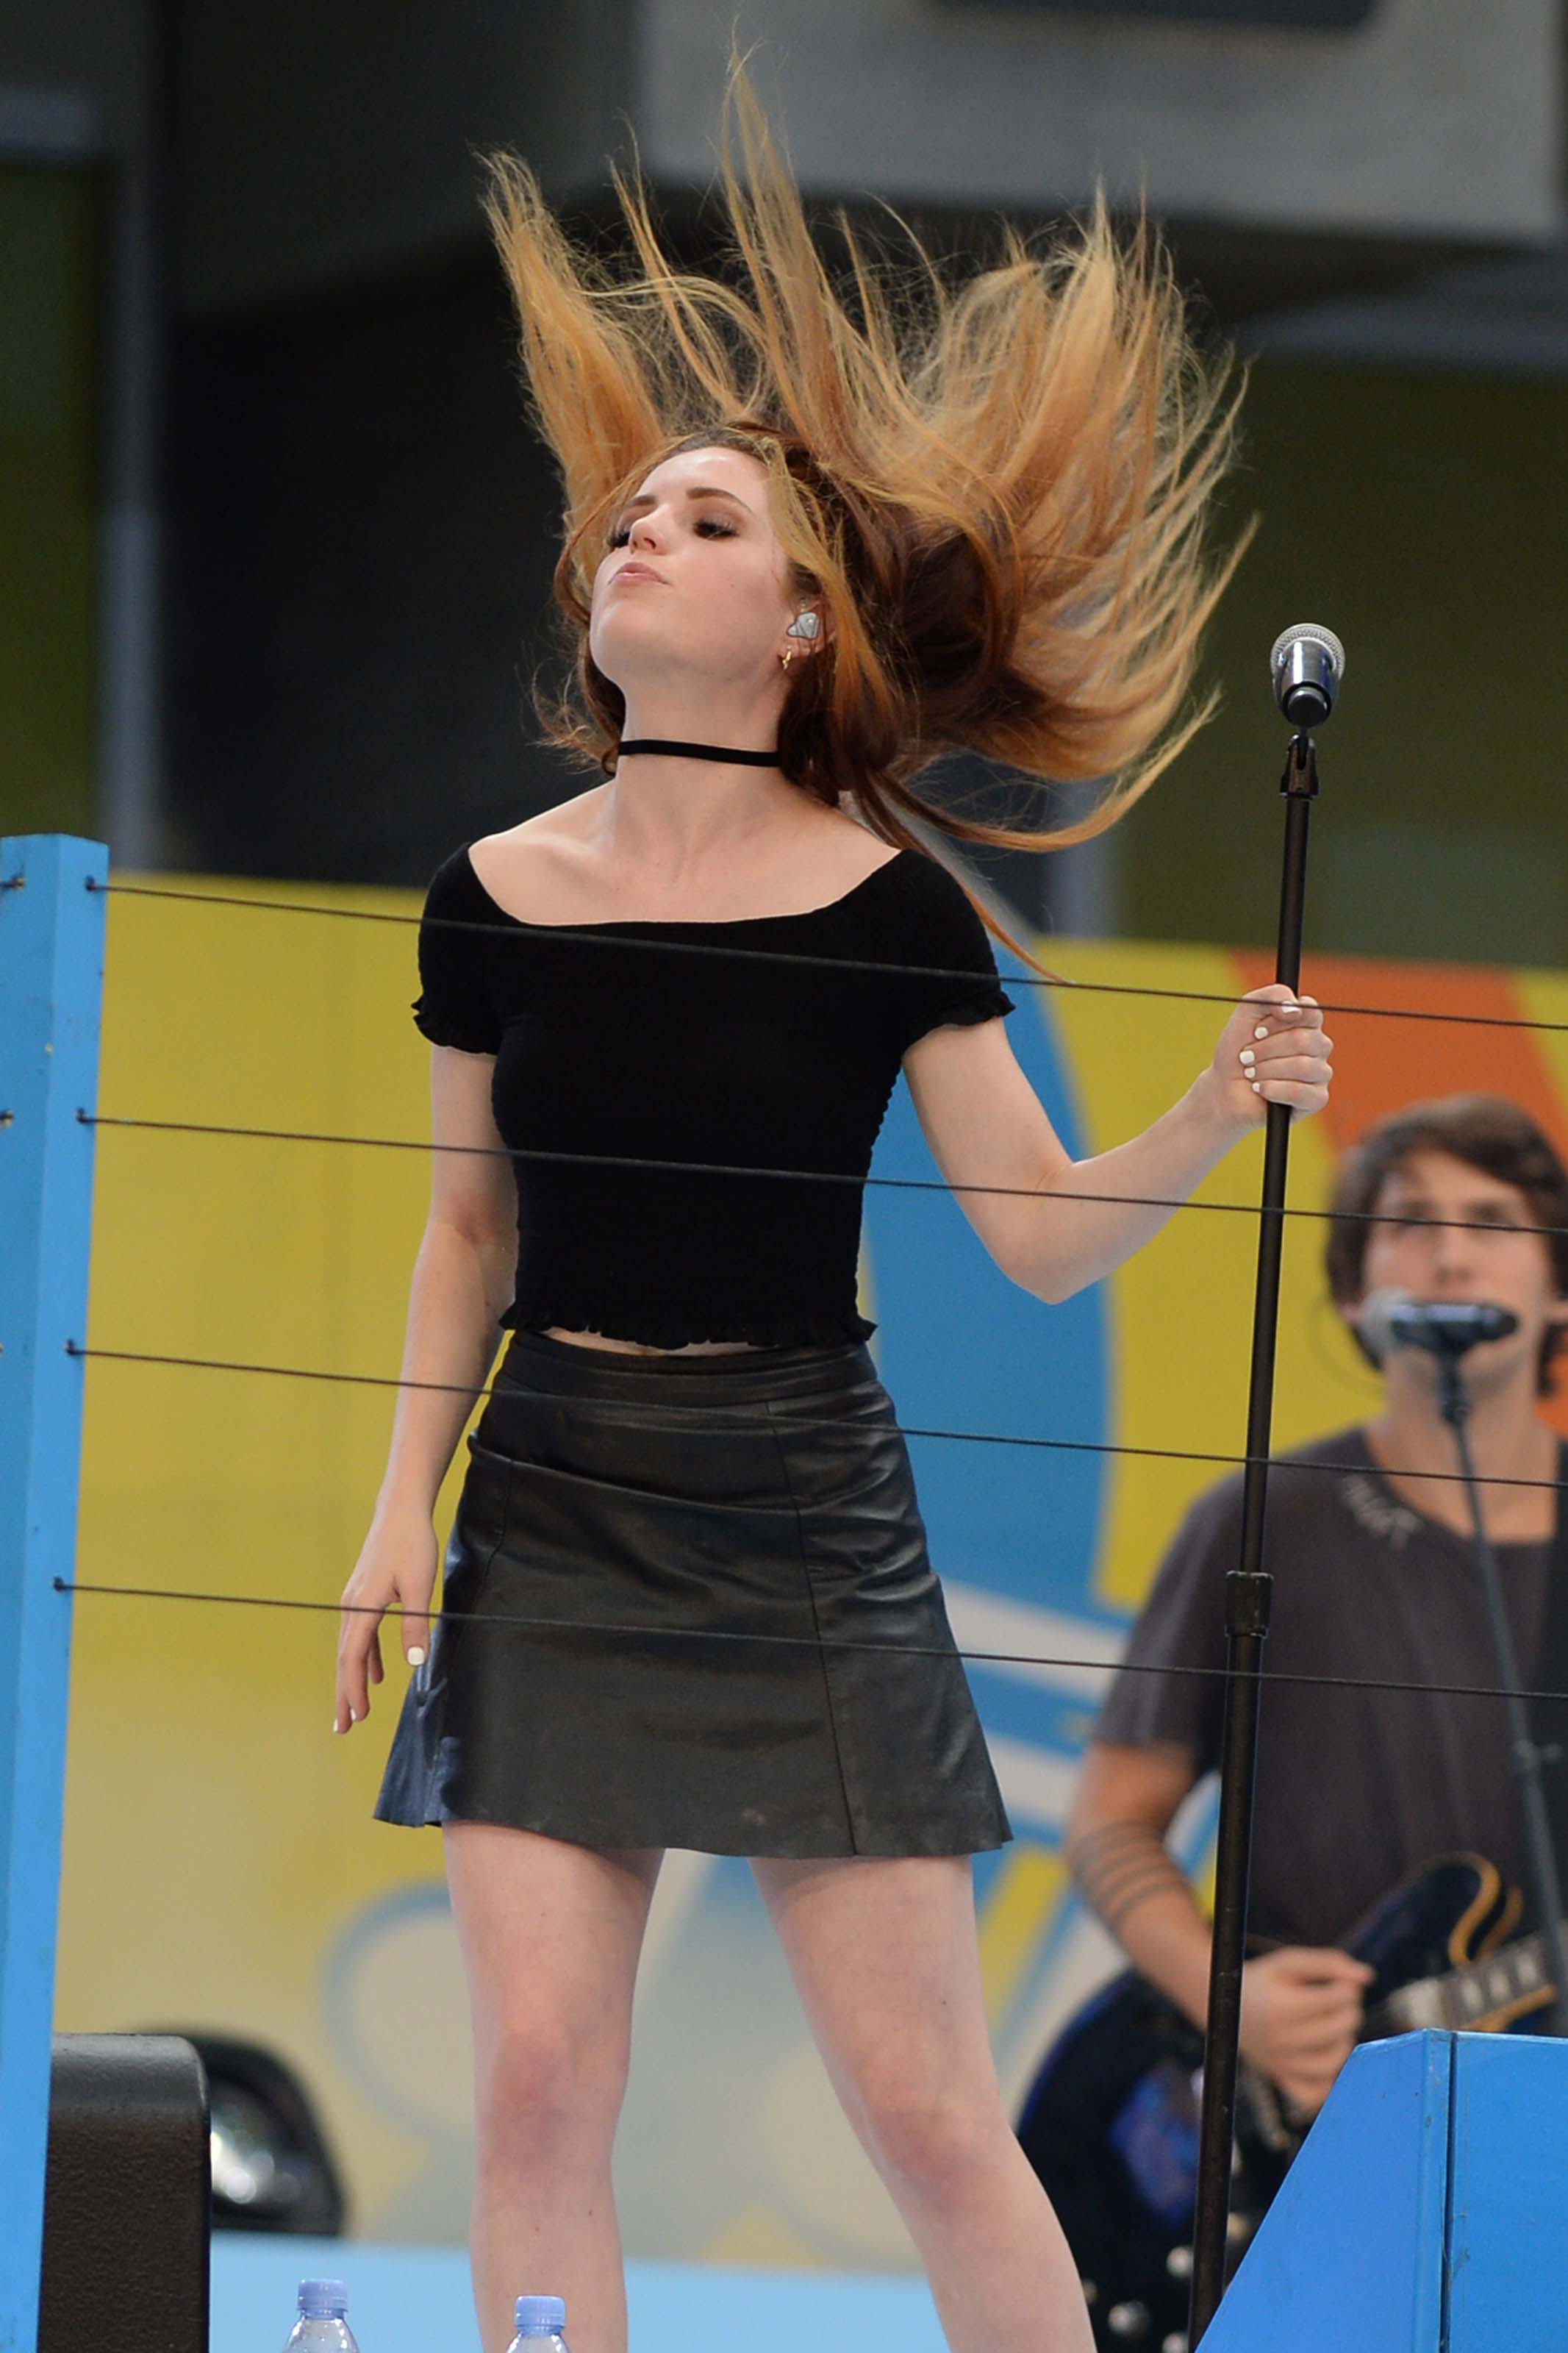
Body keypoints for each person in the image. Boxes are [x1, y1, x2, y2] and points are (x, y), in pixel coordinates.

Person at [332, 62, 1332, 2353]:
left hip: (802, 1506)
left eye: (694, 524)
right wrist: (403, 1503)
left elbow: (1040, 1235)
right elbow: (465, 1232)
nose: (634, 543)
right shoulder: (483, 895)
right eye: (624, 523)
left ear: (797, 627)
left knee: (921, 2110)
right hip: (553, 1498)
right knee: (533, 2087)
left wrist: (1210, 1101)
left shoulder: (888, 910)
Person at [1066, 1092, 1568, 2128]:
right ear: (1348, 1292)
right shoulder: (1261, 1520)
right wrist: (1230, 2000)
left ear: (1558, 1290)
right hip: (1279, 2117)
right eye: (1409, 1222)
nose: (1449, 1256)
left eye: (1491, 1222)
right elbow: (1110, 1822)